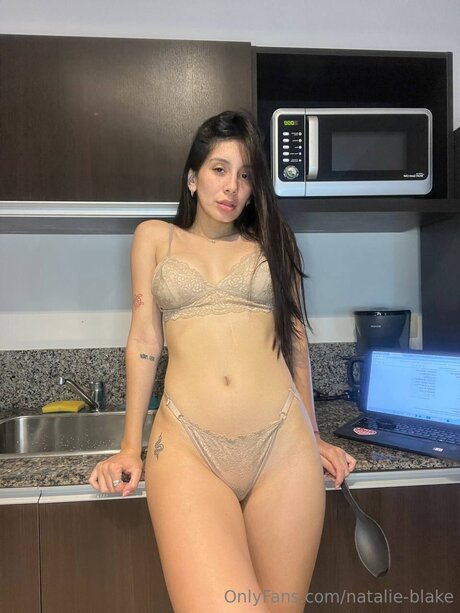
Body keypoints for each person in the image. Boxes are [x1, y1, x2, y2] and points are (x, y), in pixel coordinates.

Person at [89, 110, 356, 612]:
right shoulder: (155, 238)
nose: (232, 186)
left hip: (283, 445)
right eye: (219, 169)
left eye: (246, 174)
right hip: (189, 446)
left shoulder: (274, 241)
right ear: (193, 177)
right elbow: (144, 339)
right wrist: (129, 448)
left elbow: (296, 341)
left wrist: (315, 435)